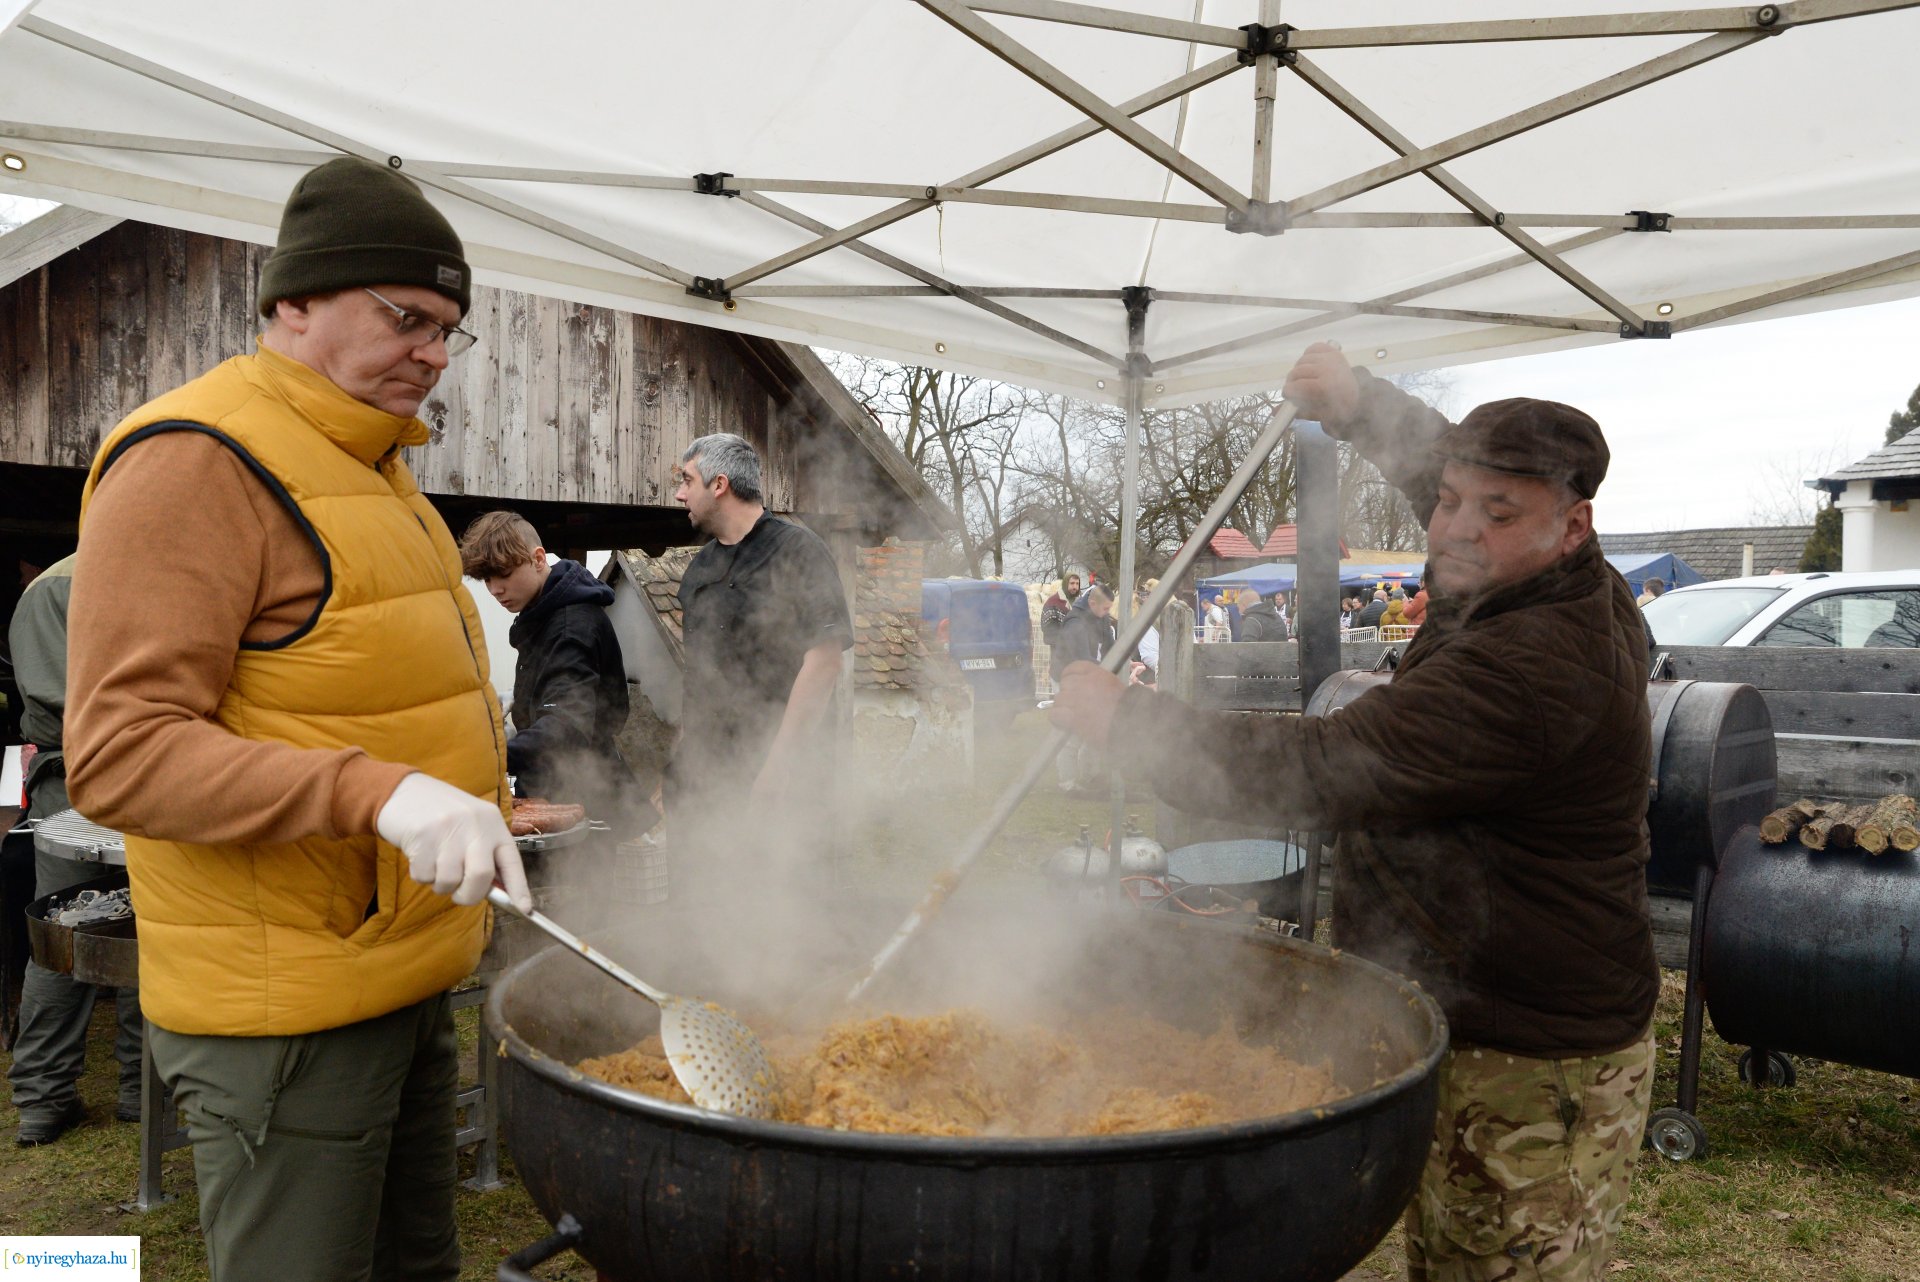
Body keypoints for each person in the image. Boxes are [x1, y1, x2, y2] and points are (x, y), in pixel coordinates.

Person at [1052, 339, 1658, 1282]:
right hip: (1483, 1007)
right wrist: (1358, 401)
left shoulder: (1534, 665)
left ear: (1573, 525)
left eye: (1496, 514)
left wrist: (1129, 719)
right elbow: (1447, 472)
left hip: (1534, 1057)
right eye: (1452, 501)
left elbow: (1327, 766)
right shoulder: (1529, 570)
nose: (1455, 527)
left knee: (1496, 1266)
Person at [65, 156, 532, 1282]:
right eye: (408, 317)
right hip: (285, 1018)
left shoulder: (378, 471)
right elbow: (120, 755)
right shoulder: (196, 458)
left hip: (404, 972)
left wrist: (488, 797)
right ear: (294, 303)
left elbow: (361, 687)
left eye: (449, 330)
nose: (434, 352)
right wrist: (381, 792)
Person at [5, 555, 144, 1146]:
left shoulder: (41, 587)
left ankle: (42, 1098)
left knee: (59, 935)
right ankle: (144, 1091)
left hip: (67, 775)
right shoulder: (142, 575)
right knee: (150, 925)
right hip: (135, 772)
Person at [670, 432, 852, 867]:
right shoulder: (699, 570)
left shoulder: (798, 551)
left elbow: (824, 661)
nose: (679, 494)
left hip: (780, 774)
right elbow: (700, 676)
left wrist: (779, 769)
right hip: (709, 775)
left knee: (781, 906)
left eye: (687, 480)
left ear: (719, 484)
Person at [458, 512, 641, 830]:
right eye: (487, 579)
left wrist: (490, 755)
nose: (495, 589)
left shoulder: (570, 627)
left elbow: (566, 728)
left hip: (589, 801)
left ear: (538, 559)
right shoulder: (543, 615)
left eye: (503, 574)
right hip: (554, 789)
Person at [1055, 583, 1116, 793]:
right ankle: (1067, 782)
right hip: (1067, 678)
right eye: (1106, 609)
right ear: (1092, 603)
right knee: (1070, 729)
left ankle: (1090, 777)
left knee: (1094, 726)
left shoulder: (1101, 615)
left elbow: (1109, 646)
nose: (1107, 614)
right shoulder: (1075, 623)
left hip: (1086, 676)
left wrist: (1125, 662)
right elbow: (1081, 658)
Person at [1041, 573, 1081, 688]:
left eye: (1077, 584)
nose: (1075, 587)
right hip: (1059, 656)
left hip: (1077, 657)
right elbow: (1047, 628)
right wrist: (1064, 640)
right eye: (1072, 583)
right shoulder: (1053, 602)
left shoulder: (1080, 603)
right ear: (1065, 584)